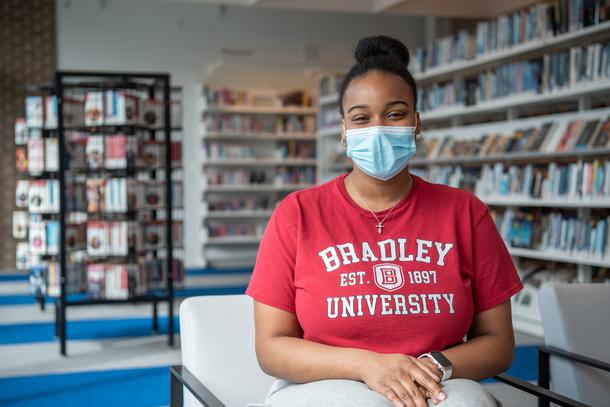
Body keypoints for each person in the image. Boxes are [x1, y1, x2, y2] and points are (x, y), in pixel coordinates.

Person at [245, 35, 524, 407]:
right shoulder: (297, 213)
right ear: (344, 130)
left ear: (417, 123)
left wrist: (430, 367)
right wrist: (368, 365)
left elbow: (499, 343)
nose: (377, 128)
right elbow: (271, 348)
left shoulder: (465, 212)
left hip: (438, 376)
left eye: (395, 113)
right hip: (329, 378)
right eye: (361, 117)